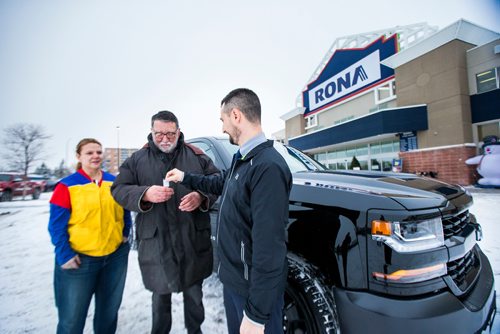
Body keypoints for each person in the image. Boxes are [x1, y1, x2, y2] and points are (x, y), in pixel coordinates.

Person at [166, 88, 292, 334]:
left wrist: (256, 316)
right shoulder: (243, 159)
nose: (222, 127)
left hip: (251, 291)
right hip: (234, 280)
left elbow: (270, 247)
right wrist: (184, 177)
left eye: (222, 120)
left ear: (236, 116)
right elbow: (218, 183)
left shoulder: (267, 167)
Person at [111, 111, 220, 334]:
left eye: (170, 133)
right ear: (151, 132)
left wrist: (201, 196)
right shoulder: (137, 159)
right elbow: (118, 189)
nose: (165, 138)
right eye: (159, 133)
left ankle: (195, 330)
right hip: (157, 243)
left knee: (195, 298)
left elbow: (216, 182)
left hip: (191, 241)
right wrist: (145, 194)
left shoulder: (196, 155)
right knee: (160, 300)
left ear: (178, 131)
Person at [48, 138, 132, 334]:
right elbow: (56, 226)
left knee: (108, 315)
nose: (96, 156)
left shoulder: (114, 182)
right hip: (80, 260)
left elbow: (124, 211)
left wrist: (125, 233)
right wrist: (64, 254)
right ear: (79, 156)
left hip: (114, 258)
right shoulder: (66, 186)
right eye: (89, 153)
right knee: (71, 319)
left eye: (98, 152)